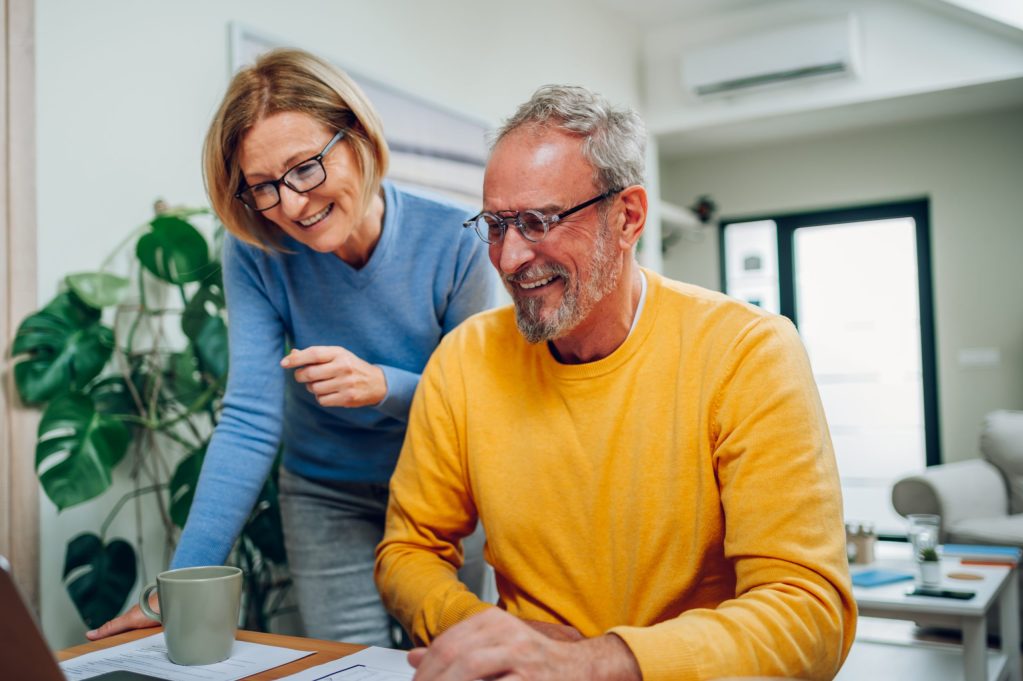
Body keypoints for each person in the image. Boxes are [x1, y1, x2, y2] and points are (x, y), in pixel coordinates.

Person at [374, 85, 856, 680]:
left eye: (537, 221)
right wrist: (485, 632)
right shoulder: (463, 360)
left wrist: (598, 663)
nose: (508, 257)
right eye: (496, 225)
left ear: (626, 217)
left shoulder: (748, 352)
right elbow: (407, 551)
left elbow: (808, 613)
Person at [87, 48, 496, 646]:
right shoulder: (256, 251)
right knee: (348, 664)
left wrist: (383, 386)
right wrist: (179, 585)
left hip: (441, 490)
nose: (292, 205)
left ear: (356, 136)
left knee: (452, 657)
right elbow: (250, 419)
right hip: (323, 493)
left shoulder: (456, 242)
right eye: (263, 188)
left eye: (305, 168)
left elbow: (474, 409)